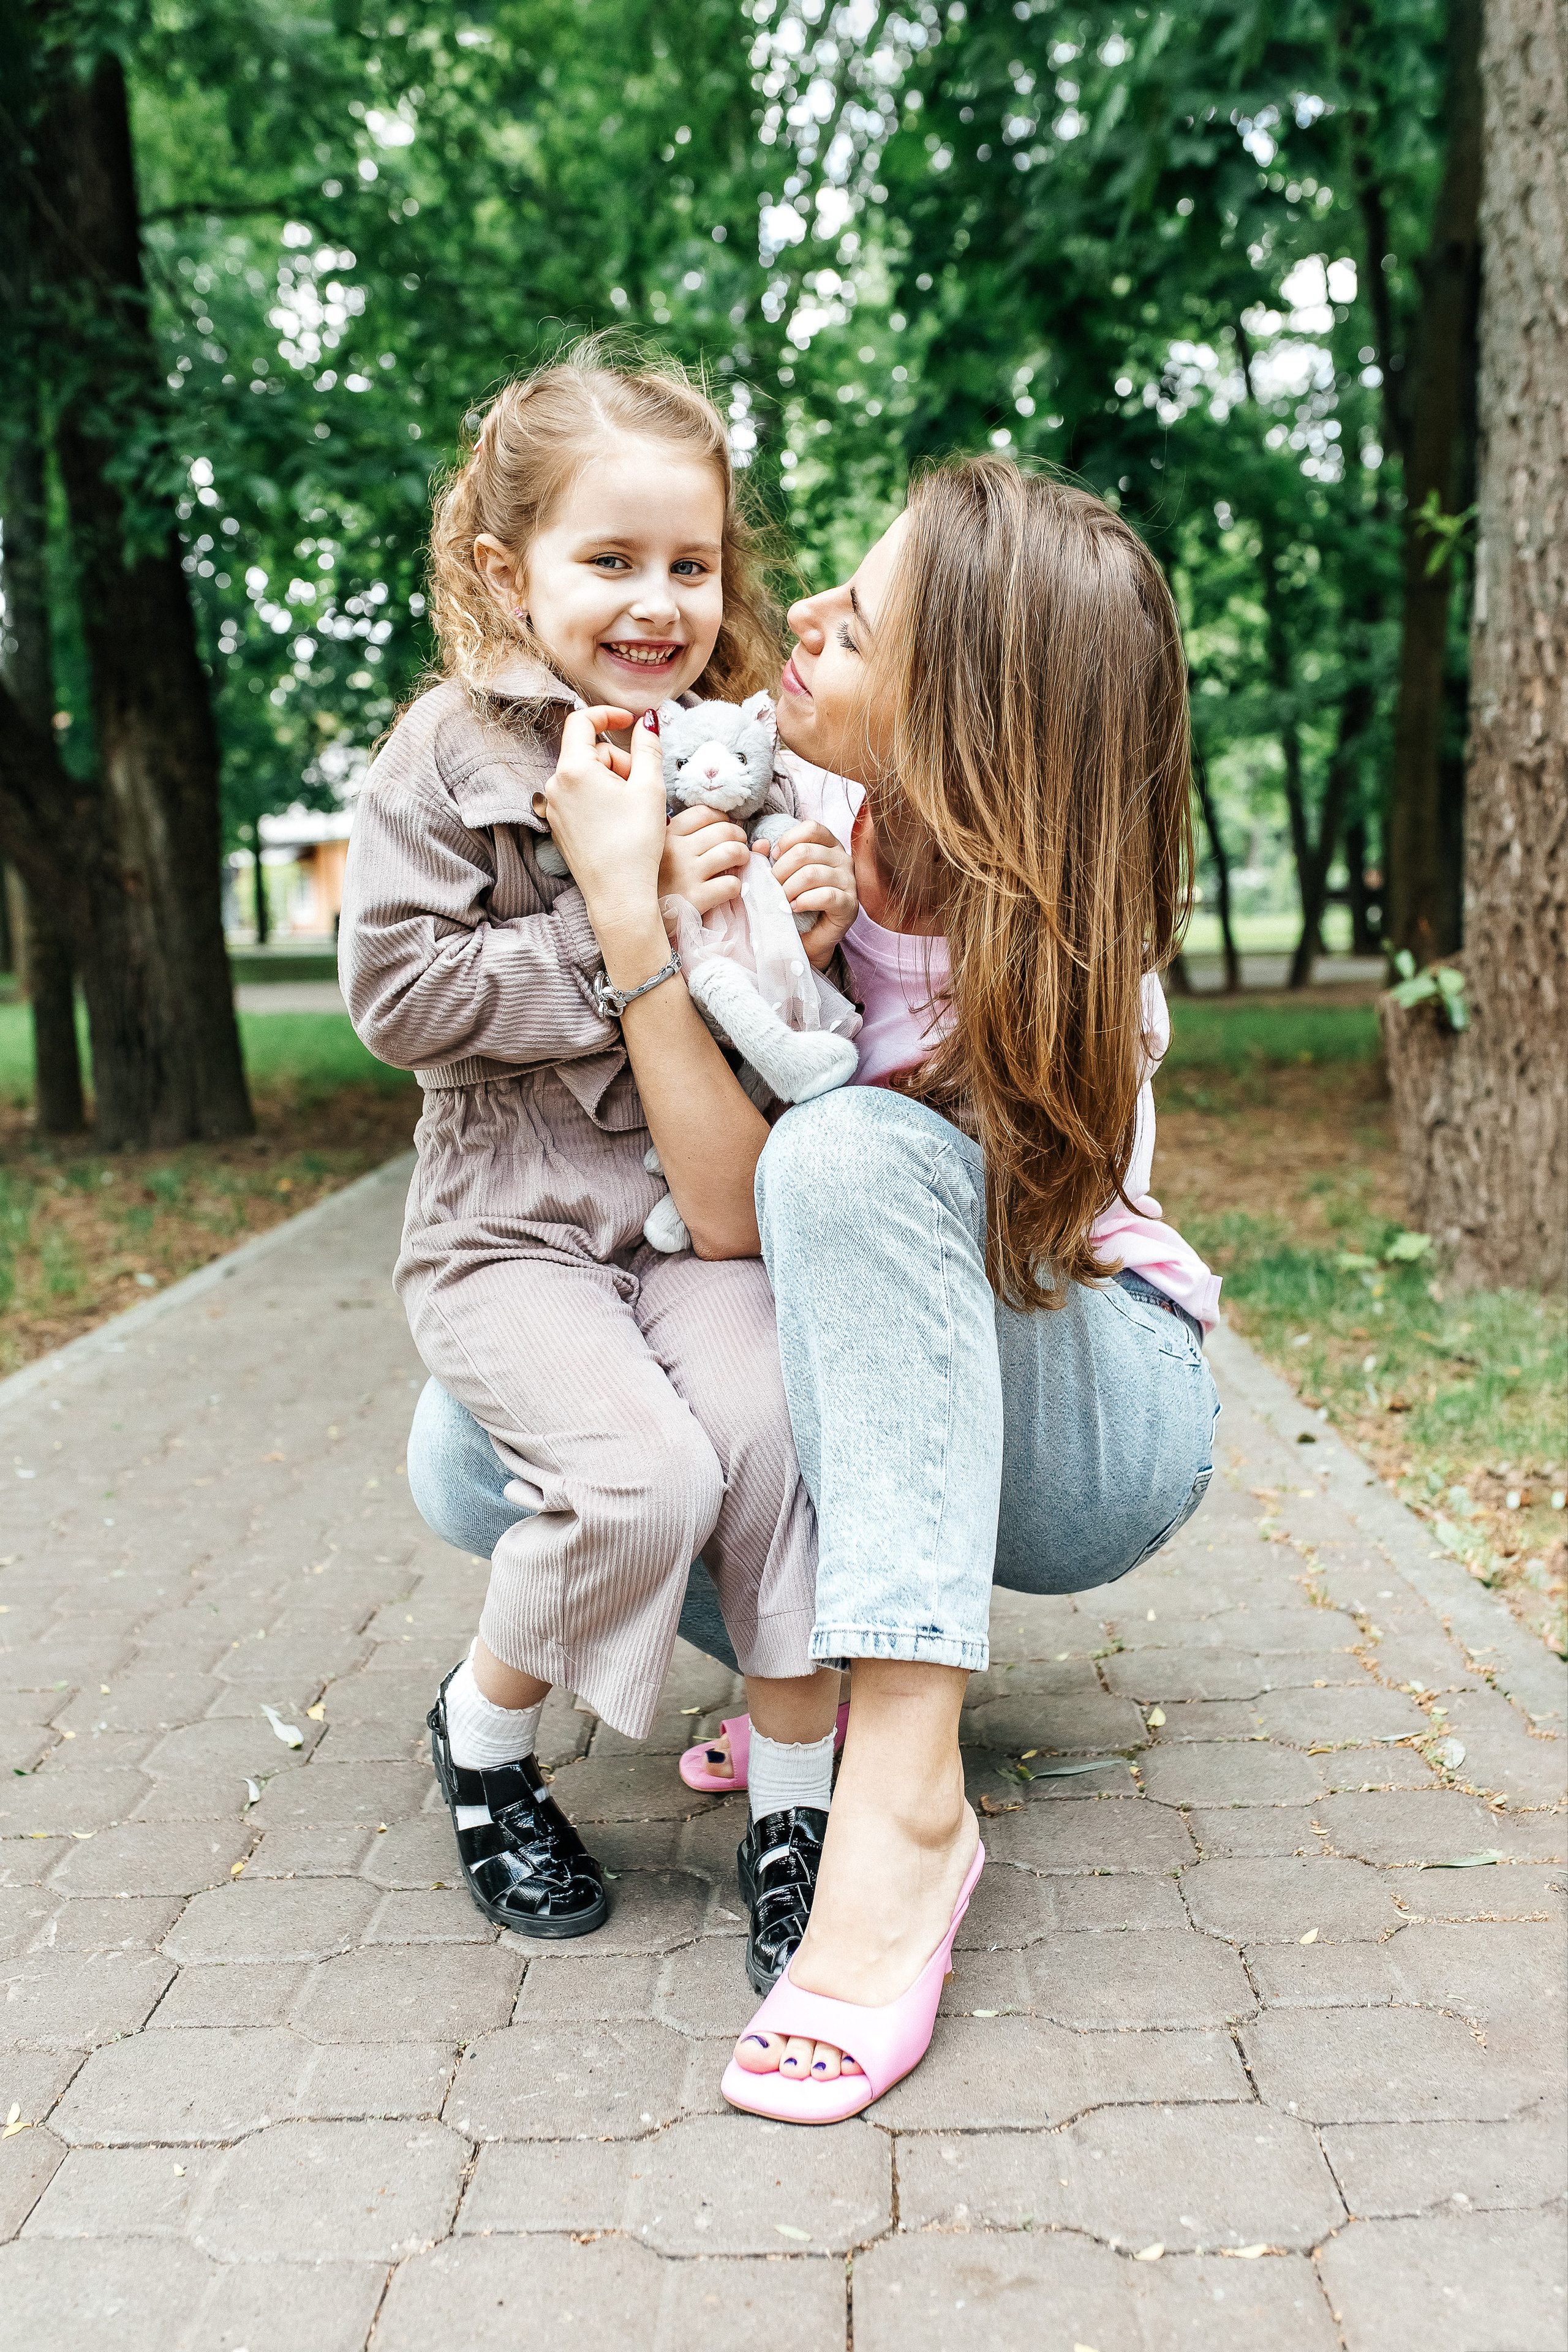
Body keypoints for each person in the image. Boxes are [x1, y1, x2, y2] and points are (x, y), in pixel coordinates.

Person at [412, 454, 1221, 2122]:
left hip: (1088, 1402)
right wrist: (643, 908)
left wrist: (683, 947)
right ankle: (822, 1692)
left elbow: (814, 1219)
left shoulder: (1067, 940)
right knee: (476, 1451)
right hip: (875, 1367)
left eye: (862, 624)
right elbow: (726, 1219)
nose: (806, 615)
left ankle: (906, 1801)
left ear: (968, 718)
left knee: (844, 1155)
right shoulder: (796, 826)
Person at [339, 345, 855, 1954]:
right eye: (611, 559)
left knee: (777, 1447)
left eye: (691, 565)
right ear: (511, 573)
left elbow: (756, 1003)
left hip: (683, 1224)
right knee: (645, 1483)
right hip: (510, 1235)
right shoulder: (447, 753)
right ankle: (486, 1742)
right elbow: (398, 997)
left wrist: (801, 928)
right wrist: (611, 908)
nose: (658, 602)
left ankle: (799, 1808)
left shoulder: (727, 750)